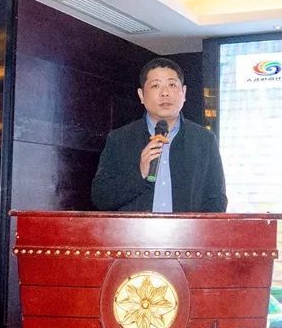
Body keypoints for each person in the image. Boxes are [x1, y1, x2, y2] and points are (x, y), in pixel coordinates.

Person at [91, 57, 227, 212]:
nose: (165, 93)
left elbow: (217, 200)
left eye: (172, 85)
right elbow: (100, 198)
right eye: (155, 85)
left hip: (186, 229)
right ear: (141, 95)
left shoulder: (204, 140)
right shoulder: (120, 139)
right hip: (135, 229)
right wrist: (139, 173)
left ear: (184, 93)